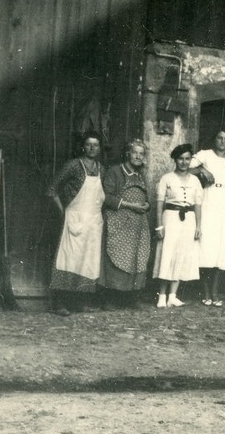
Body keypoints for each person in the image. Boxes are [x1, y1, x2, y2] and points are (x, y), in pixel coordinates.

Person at [47, 131, 106, 316]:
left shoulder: (101, 169)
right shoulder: (73, 166)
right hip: (74, 220)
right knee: (68, 261)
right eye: (88, 144)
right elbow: (51, 189)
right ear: (83, 146)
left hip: (93, 222)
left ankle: (80, 303)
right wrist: (63, 212)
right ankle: (59, 304)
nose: (92, 148)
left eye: (95, 145)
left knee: (88, 262)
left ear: (99, 148)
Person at [190, 129, 225, 307]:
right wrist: (202, 170)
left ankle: (215, 291)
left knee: (222, 246)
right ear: (214, 139)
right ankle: (206, 292)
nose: (222, 141)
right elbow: (186, 167)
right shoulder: (205, 155)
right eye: (219, 137)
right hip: (209, 198)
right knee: (207, 246)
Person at [99, 139, 152, 307]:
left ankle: (130, 298)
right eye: (135, 152)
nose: (138, 156)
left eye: (141, 153)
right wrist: (130, 205)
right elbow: (106, 197)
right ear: (128, 154)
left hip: (137, 224)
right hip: (119, 221)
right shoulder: (115, 172)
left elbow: (146, 198)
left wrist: (147, 205)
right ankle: (111, 299)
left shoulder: (141, 174)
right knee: (116, 258)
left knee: (136, 258)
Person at [153, 143, 203, 308]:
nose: (184, 162)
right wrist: (159, 226)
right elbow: (160, 204)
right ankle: (161, 296)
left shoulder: (195, 180)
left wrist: (198, 226)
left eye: (187, 159)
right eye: (180, 159)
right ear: (175, 160)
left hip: (188, 220)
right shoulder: (167, 178)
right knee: (168, 254)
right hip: (171, 218)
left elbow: (197, 205)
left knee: (182, 255)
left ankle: (173, 296)